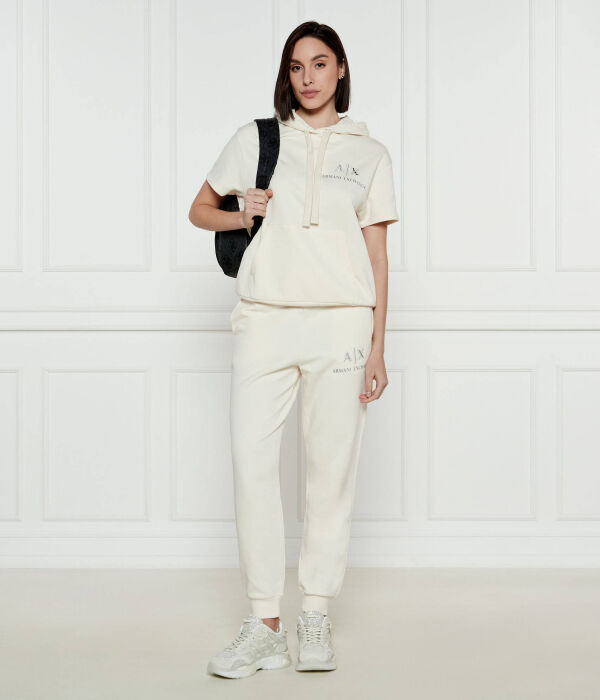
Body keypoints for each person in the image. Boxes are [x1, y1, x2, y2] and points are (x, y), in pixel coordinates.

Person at [189, 20, 399, 679]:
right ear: (287, 75)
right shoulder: (256, 139)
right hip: (265, 319)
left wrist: (377, 347)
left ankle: (314, 612)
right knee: (251, 463)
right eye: (297, 66)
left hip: (341, 325)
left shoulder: (370, 154)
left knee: (329, 471)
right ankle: (265, 624)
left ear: (341, 70)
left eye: (320, 63)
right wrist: (243, 213)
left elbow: (377, 254)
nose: (308, 77)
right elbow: (200, 210)